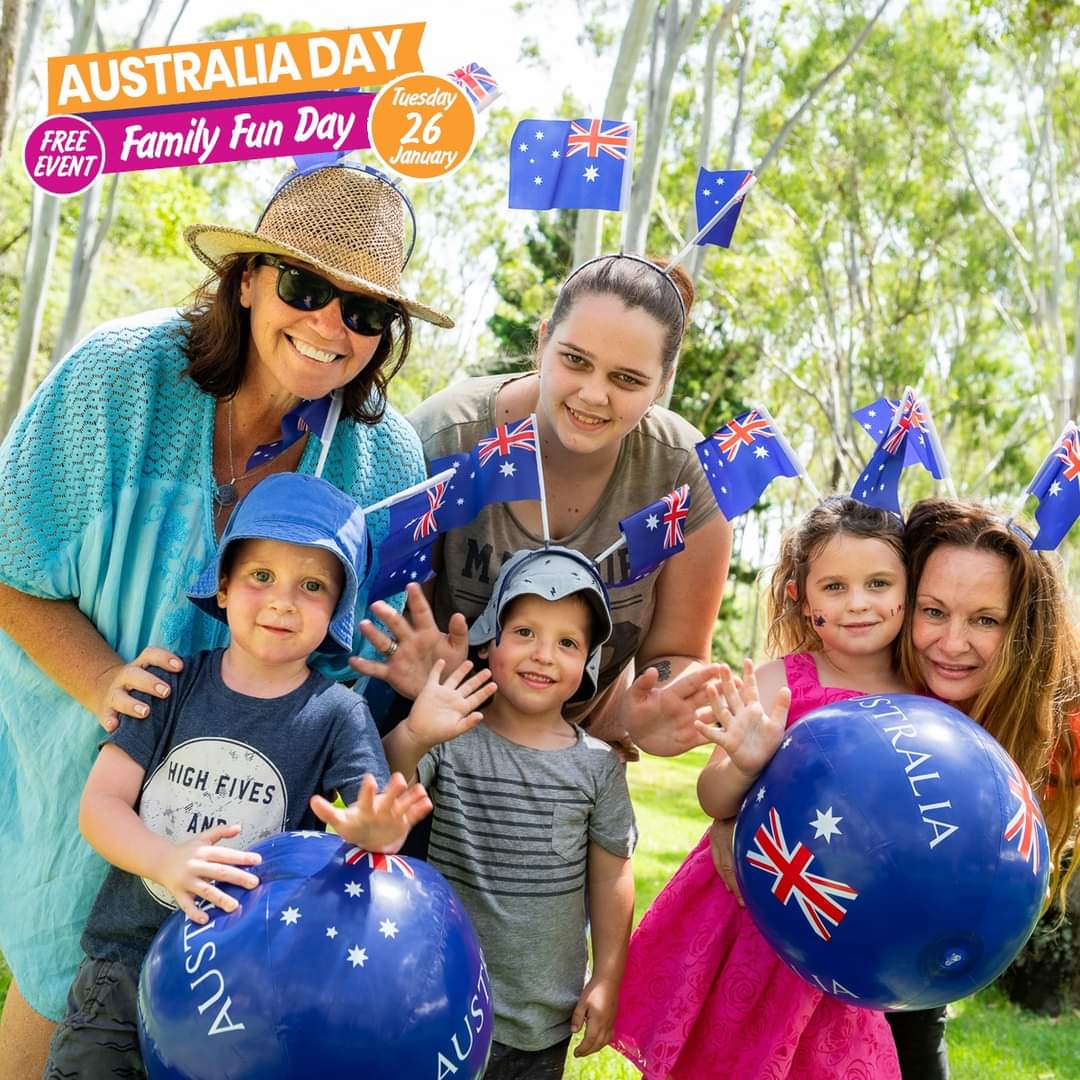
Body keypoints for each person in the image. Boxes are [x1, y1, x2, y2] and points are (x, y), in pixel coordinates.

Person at [0, 160, 453, 1073]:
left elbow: (358, 674)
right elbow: (9, 561)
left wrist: (413, 674)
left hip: (252, 834)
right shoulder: (116, 381)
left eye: (364, 312)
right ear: (247, 280)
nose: (331, 325)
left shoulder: (386, 460)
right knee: (64, 979)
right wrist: (102, 682)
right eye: (305, 285)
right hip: (88, 761)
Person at [42, 473, 454, 1076]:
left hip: (245, 988)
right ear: (226, 587)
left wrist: (371, 833)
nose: (283, 600)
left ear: (338, 608)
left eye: (312, 585)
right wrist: (164, 861)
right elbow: (100, 805)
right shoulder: (170, 684)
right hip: (123, 966)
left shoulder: (340, 714)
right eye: (262, 576)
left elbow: (370, 824)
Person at [364, 253, 731, 758]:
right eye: (575, 360)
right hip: (420, 739)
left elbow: (676, 656)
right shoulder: (445, 436)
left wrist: (657, 702)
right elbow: (365, 610)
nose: (594, 395)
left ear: (664, 381)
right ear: (542, 342)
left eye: (627, 379)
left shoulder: (685, 476)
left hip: (568, 761)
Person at [612, 496, 908, 1078]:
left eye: (878, 583)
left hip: (844, 930)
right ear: (802, 597)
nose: (858, 604)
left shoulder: (924, 703)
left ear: (907, 589)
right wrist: (745, 765)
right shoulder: (777, 683)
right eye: (835, 587)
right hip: (747, 917)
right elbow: (712, 798)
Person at [383, 546, 637, 1079]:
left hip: (542, 1020)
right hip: (439, 1001)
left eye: (567, 642)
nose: (543, 655)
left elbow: (613, 875)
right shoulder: (453, 736)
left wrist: (609, 975)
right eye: (524, 633)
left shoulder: (597, 767)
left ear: (588, 663)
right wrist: (414, 733)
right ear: (490, 641)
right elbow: (391, 788)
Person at [883, 497, 1080, 1080]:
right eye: (934, 611)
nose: (952, 642)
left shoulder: (1054, 722)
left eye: (985, 620)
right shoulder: (856, 684)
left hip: (921, 973)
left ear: (1022, 630)